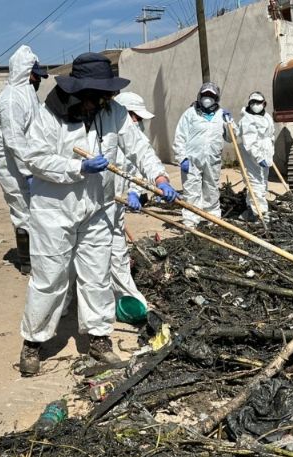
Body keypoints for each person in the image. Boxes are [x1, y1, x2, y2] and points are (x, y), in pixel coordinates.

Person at [18, 53, 178, 377]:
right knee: (50, 280)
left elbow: (139, 147)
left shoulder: (113, 112)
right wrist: (77, 167)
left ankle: (99, 339)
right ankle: (33, 343)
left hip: (97, 207)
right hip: (55, 212)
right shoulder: (49, 116)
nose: (106, 101)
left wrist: (158, 177)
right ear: (81, 92)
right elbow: (34, 159)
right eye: (100, 95)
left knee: (96, 276)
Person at [0, 45, 49, 275]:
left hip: (30, 165)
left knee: (38, 212)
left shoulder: (28, 95)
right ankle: (28, 263)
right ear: (26, 73)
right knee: (23, 212)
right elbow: (14, 140)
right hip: (13, 168)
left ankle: (41, 258)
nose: (38, 80)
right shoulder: (11, 100)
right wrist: (28, 171)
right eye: (36, 76)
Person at [111, 91, 154, 307]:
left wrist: (135, 191)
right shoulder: (106, 135)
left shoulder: (134, 135)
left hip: (116, 206)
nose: (139, 122)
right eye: (136, 117)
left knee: (117, 253)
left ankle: (126, 299)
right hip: (96, 205)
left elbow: (135, 167)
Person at [173, 82, 232, 228]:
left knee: (211, 189)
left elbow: (231, 138)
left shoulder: (221, 115)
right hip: (191, 160)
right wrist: (182, 158)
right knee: (191, 191)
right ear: (199, 96)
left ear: (216, 98)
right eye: (205, 95)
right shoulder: (190, 113)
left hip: (212, 160)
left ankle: (212, 218)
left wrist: (229, 124)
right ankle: (190, 222)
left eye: (211, 95)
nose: (207, 98)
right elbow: (180, 137)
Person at [236, 91, 275, 222]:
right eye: (252, 102)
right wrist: (259, 157)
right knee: (255, 183)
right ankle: (260, 212)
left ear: (264, 103)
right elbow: (250, 142)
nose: (255, 105)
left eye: (257, 102)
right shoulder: (247, 119)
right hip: (252, 157)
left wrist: (270, 149)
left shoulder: (267, 116)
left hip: (266, 153)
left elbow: (271, 134)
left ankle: (251, 209)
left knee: (262, 183)